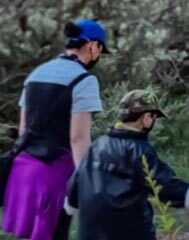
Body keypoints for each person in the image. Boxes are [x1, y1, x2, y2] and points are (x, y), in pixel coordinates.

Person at [66, 90, 189, 240]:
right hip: (128, 229)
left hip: (91, 230)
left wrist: (72, 205)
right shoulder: (139, 149)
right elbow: (163, 182)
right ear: (147, 117)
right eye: (154, 117)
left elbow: (77, 181)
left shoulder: (97, 145)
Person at [3, 20, 107, 240]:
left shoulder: (36, 74)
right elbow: (78, 138)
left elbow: (24, 130)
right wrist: (86, 182)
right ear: (93, 46)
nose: (99, 56)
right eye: (101, 50)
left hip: (23, 172)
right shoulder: (85, 80)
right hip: (54, 175)